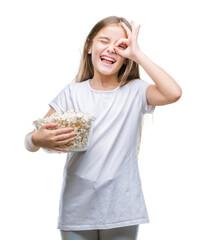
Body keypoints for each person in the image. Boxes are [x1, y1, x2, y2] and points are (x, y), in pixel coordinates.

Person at [24, 16, 182, 240]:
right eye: (104, 41)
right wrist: (37, 140)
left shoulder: (135, 91)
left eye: (121, 45)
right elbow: (31, 140)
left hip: (121, 207)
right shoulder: (72, 93)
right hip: (77, 208)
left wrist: (138, 54)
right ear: (89, 46)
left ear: (127, 58)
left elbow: (173, 93)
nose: (111, 49)